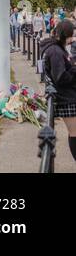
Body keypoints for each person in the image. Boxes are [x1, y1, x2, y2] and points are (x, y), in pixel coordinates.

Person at [41, 20, 76, 164]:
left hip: (67, 95)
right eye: (70, 36)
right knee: (74, 133)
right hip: (66, 97)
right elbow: (60, 77)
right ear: (64, 35)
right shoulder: (55, 51)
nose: (71, 40)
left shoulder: (56, 48)